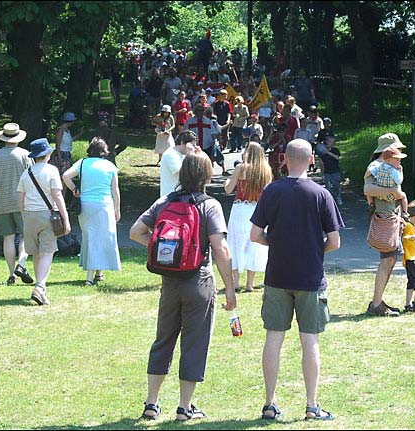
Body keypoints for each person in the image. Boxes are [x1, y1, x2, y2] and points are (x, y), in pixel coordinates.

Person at [129, 148, 236, 422]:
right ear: (206, 174)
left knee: (163, 340)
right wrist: (230, 287)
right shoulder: (209, 205)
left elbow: (135, 232)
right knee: (195, 342)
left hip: (169, 282)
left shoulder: (165, 202)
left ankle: (151, 404)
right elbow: (220, 248)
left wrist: (161, 248)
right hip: (199, 280)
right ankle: (184, 407)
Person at [250, 139, 343, 421]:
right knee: (309, 339)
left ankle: (269, 403)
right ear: (312, 159)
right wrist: (315, 248)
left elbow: (255, 235)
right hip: (310, 277)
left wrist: (275, 242)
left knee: (273, 338)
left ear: (285, 159)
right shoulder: (321, 194)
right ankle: (312, 405)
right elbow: (335, 242)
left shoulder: (272, 190)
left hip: (277, 276)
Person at [17, 138, 71, 305]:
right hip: (47, 215)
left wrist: (24, 215)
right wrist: (66, 218)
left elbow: (21, 198)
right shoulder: (52, 170)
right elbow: (57, 195)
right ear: (47, 154)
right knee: (47, 252)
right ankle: (40, 286)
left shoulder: (27, 172)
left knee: (36, 253)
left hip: (29, 215)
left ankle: (41, 289)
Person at [62, 137, 121, 286]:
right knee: (103, 237)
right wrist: (117, 209)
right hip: (104, 205)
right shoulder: (110, 166)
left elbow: (65, 176)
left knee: (90, 238)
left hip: (86, 204)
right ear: (104, 151)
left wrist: (75, 189)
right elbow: (115, 190)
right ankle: (95, 275)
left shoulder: (82, 163)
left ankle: (94, 274)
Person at [364, 133, 408, 317]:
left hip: (392, 216)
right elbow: (368, 189)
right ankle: (376, 304)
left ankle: (378, 301)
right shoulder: (375, 167)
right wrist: (394, 192)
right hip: (385, 217)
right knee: (387, 259)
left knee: (391, 259)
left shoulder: (389, 166)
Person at [0, 123, 34, 285]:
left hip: (1, 202)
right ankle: (21, 264)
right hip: (22, 202)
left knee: (8, 238)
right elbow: (32, 180)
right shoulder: (25, 155)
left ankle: (11, 275)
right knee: (25, 235)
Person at [224, 142, 272, 292]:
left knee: (235, 243)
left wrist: (226, 182)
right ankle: (250, 283)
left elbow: (228, 189)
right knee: (254, 244)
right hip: (257, 209)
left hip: (240, 209)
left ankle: (236, 282)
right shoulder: (266, 171)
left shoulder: (241, 168)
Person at [365, 146, 409, 215]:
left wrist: (366, 176)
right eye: (397, 160)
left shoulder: (379, 166)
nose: (399, 162)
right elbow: (399, 181)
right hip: (391, 196)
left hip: (378, 195)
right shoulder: (393, 171)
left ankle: (371, 204)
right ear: (388, 160)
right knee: (403, 196)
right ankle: (405, 212)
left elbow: (370, 171)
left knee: (372, 186)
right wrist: (401, 171)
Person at [159, 130, 197, 197]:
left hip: (181, 197)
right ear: (182, 143)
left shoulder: (184, 154)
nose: (194, 148)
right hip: (170, 198)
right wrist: (190, 155)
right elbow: (182, 174)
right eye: (192, 145)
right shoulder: (171, 154)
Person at [50, 112, 84, 183]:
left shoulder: (67, 131)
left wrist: (80, 134)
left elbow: (70, 139)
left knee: (66, 177)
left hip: (67, 155)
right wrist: (60, 159)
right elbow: (58, 145)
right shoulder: (60, 130)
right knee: (61, 177)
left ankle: (64, 193)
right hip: (61, 154)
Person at [319, 135, 342, 206]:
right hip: (327, 172)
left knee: (336, 186)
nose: (328, 143)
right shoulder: (323, 153)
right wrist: (322, 174)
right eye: (327, 141)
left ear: (333, 143)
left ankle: (337, 196)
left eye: (330, 142)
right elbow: (322, 164)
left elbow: (337, 158)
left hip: (335, 172)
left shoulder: (335, 150)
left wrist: (328, 152)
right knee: (328, 187)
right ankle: (329, 201)